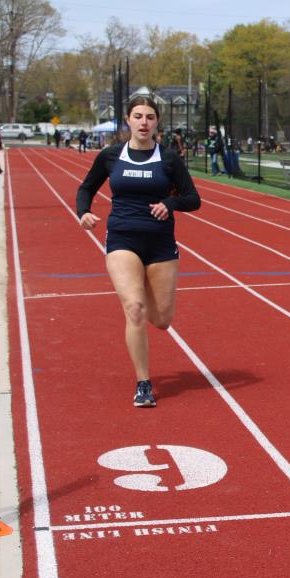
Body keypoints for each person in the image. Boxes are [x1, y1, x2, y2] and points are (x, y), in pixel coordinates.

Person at [75, 96, 201, 406]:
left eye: (149, 117)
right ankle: (143, 383)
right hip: (122, 239)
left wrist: (170, 203)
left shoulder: (169, 159)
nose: (144, 122)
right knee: (135, 308)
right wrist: (84, 212)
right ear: (128, 120)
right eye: (138, 116)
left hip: (160, 243)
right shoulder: (111, 155)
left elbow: (193, 199)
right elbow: (86, 187)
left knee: (161, 320)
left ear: (157, 122)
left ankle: (145, 291)